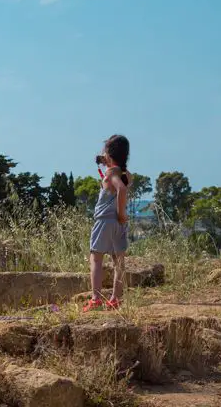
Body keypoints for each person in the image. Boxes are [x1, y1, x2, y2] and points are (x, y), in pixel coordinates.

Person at [83, 134, 130, 312]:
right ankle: (116, 298)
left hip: (104, 221)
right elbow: (124, 181)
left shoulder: (111, 175)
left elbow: (121, 189)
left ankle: (96, 298)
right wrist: (122, 216)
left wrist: (120, 212)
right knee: (119, 260)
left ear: (109, 154)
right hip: (119, 224)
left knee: (95, 257)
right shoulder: (125, 173)